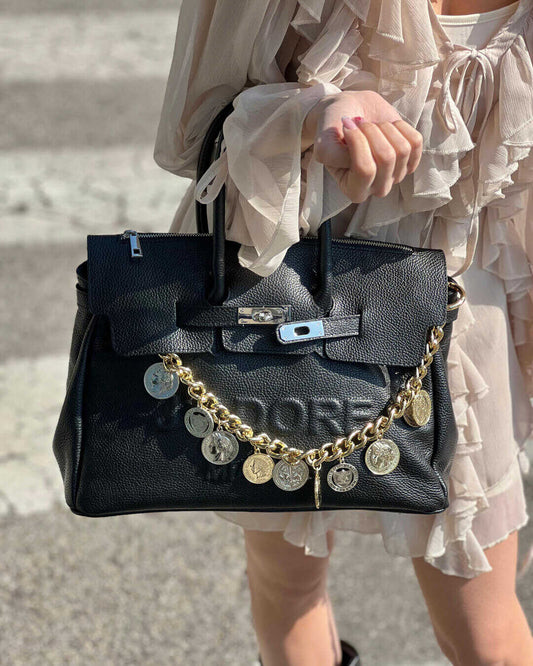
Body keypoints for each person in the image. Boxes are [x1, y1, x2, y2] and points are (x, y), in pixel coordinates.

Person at [154, 1, 533, 664]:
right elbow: (194, 129)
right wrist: (306, 115)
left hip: (468, 311)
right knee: (289, 586)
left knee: (486, 635)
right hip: (283, 293)